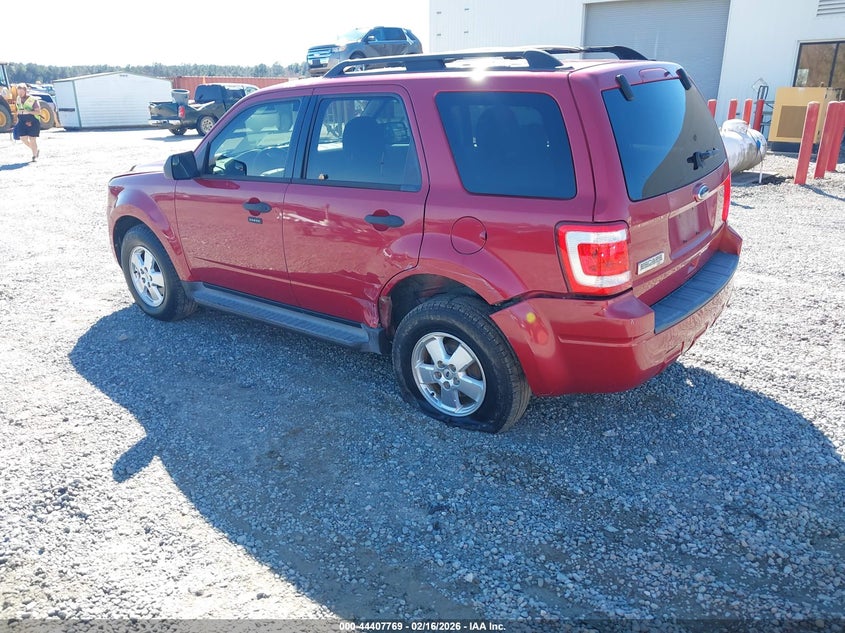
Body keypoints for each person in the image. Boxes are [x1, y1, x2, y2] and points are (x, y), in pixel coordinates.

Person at [14, 84, 41, 162]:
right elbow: (18, 110)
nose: (20, 94)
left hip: (33, 121)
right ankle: (35, 150)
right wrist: (17, 121)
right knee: (23, 139)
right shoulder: (18, 98)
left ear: (25, 91)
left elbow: (38, 112)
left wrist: (28, 111)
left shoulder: (33, 100)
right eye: (18, 93)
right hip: (22, 121)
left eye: (21, 92)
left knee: (32, 139)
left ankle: (34, 156)